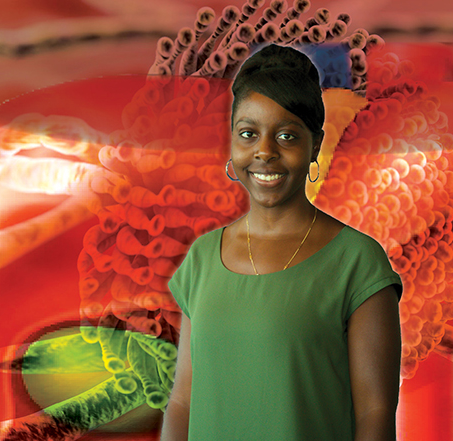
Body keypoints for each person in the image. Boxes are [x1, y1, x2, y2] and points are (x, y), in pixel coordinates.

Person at [160, 44, 403, 441]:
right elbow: (184, 400)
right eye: (248, 134)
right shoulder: (202, 259)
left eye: (287, 135)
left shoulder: (357, 262)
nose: (265, 152)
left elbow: (375, 413)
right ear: (232, 142)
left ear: (315, 145)